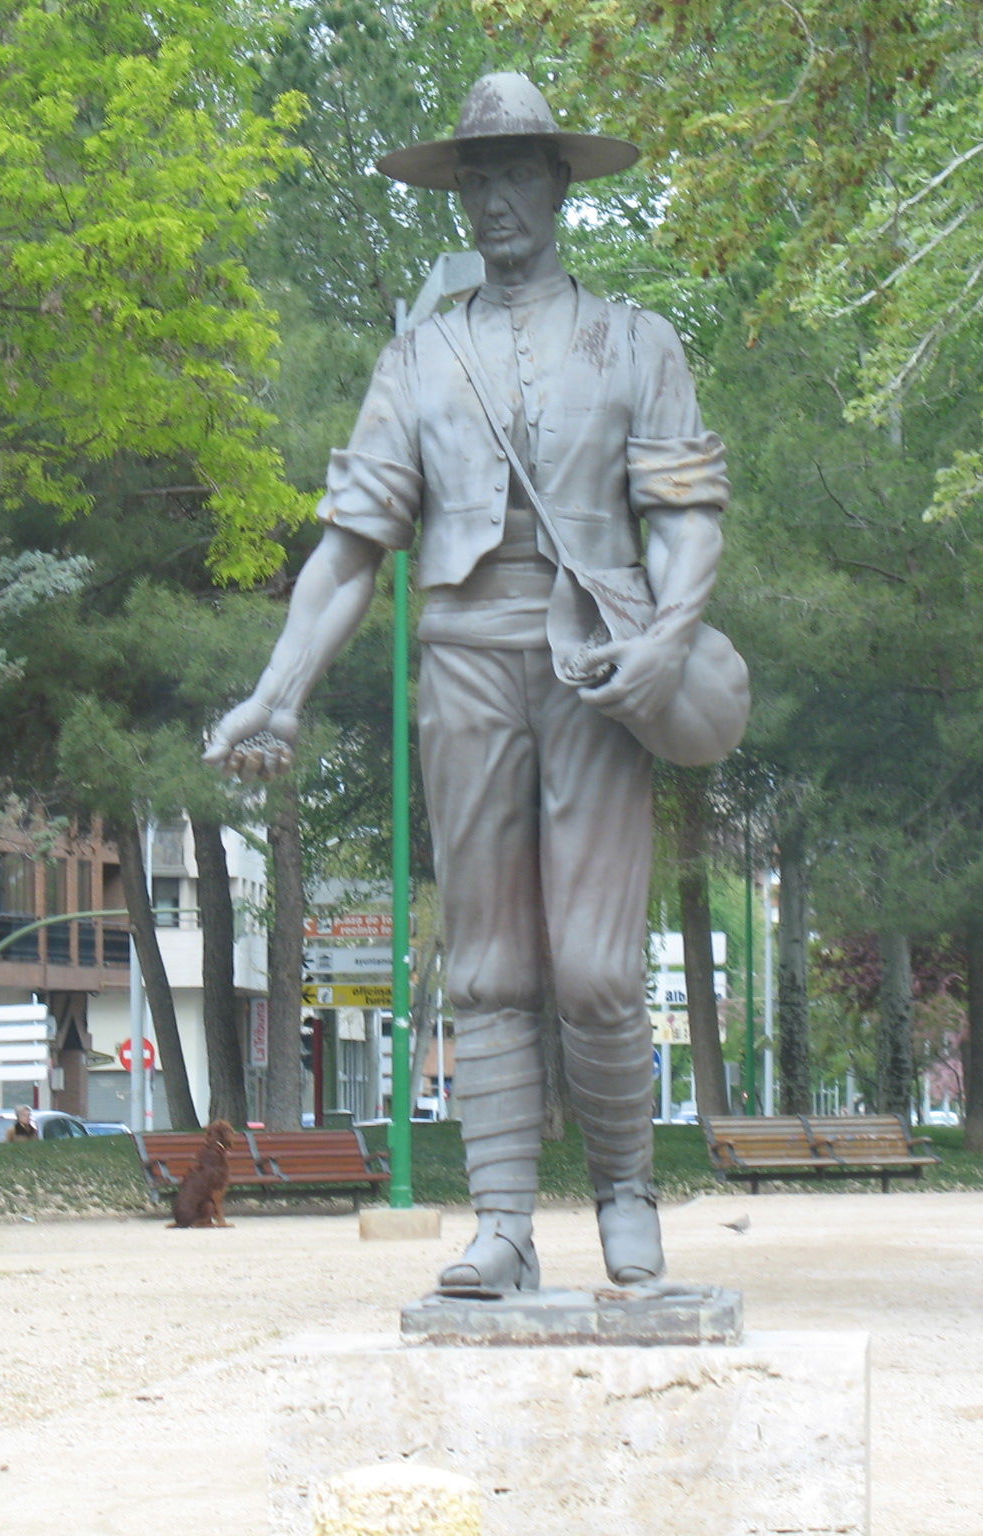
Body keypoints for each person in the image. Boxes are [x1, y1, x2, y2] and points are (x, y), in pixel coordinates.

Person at [205, 74, 732, 1296]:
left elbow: (686, 518)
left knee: (598, 967)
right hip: (463, 666)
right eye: (476, 177)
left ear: (558, 185)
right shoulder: (417, 359)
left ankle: (624, 1195)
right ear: (460, 194)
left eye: (517, 173)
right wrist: (277, 689)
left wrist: (668, 638)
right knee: (489, 961)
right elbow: (349, 550)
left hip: (598, 666)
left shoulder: (638, 341)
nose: (496, 198)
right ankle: (499, 1222)